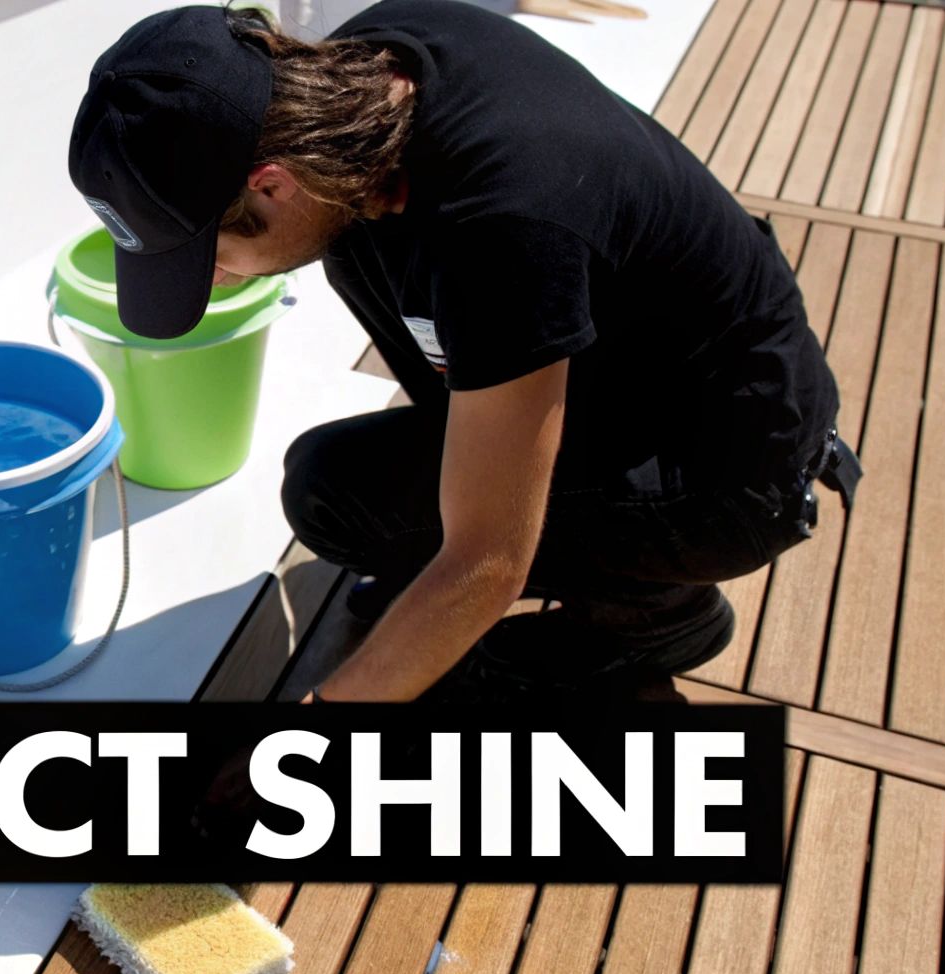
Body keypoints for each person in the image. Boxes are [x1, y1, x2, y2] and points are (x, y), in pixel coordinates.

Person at [66, 2, 859, 704]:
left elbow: (486, 561)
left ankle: (655, 618)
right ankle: (604, 570)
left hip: (729, 469)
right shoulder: (374, 75)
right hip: (616, 380)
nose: (209, 282)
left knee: (446, 571)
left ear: (272, 185)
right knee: (329, 494)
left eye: (202, 255)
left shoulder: (504, 227)